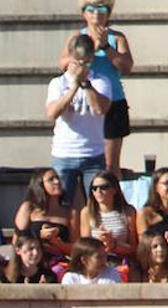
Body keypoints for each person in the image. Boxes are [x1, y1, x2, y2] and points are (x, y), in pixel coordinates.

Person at [56, 0, 132, 171]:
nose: (96, 13)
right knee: (85, 159)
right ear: (84, 13)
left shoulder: (117, 37)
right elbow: (62, 63)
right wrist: (86, 52)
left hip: (112, 100)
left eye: (102, 9)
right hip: (83, 100)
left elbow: (127, 66)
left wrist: (105, 47)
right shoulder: (76, 38)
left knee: (110, 165)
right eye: (91, 9)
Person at [46, 33, 111, 207]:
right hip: (64, 155)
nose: (81, 67)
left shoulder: (101, 81)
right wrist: (74, 86)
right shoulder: (58, 83)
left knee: (96, 206)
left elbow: (101, 109)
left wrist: (86, 85)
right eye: (77, 62)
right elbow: (52, 113)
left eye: (86, 63)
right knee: (61, 205)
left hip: (94, 155)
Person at [79, 170, 139, 281]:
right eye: (94, 188)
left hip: (120, 261)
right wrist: (99, 243)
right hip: (94, 262)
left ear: (114, 189)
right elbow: (84, 247)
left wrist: (113, 244)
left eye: (104, 187)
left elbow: (134, 248)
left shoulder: (128, 212)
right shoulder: (87, 212)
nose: (98, 191)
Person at [13, 168, 78, 268]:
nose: (57, 182)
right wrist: (39, 236)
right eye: (51, 179)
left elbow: (75, 249)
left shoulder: (70, 212)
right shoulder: (29, 208)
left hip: (58, 261)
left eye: (57, 178)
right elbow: (17, 240)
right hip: (31, 260)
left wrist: (55, 241)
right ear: (40, 185)